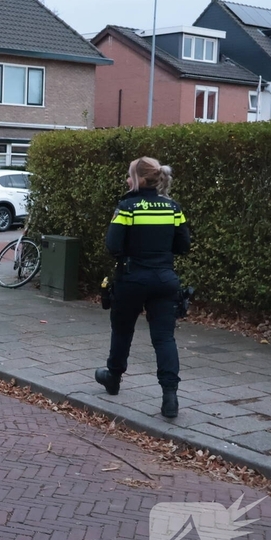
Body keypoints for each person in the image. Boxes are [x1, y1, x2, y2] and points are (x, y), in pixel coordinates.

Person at [95, 156, 190, 418]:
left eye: (129, 175)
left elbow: (113, 246)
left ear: (139, 179)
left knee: (123, 330)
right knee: (164, 338)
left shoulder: (127, 207)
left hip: (132, 278)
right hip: (164, 280)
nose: (127, 179)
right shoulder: (173, 208)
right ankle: (170, 397)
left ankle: (113, 378)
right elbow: (183, 246)